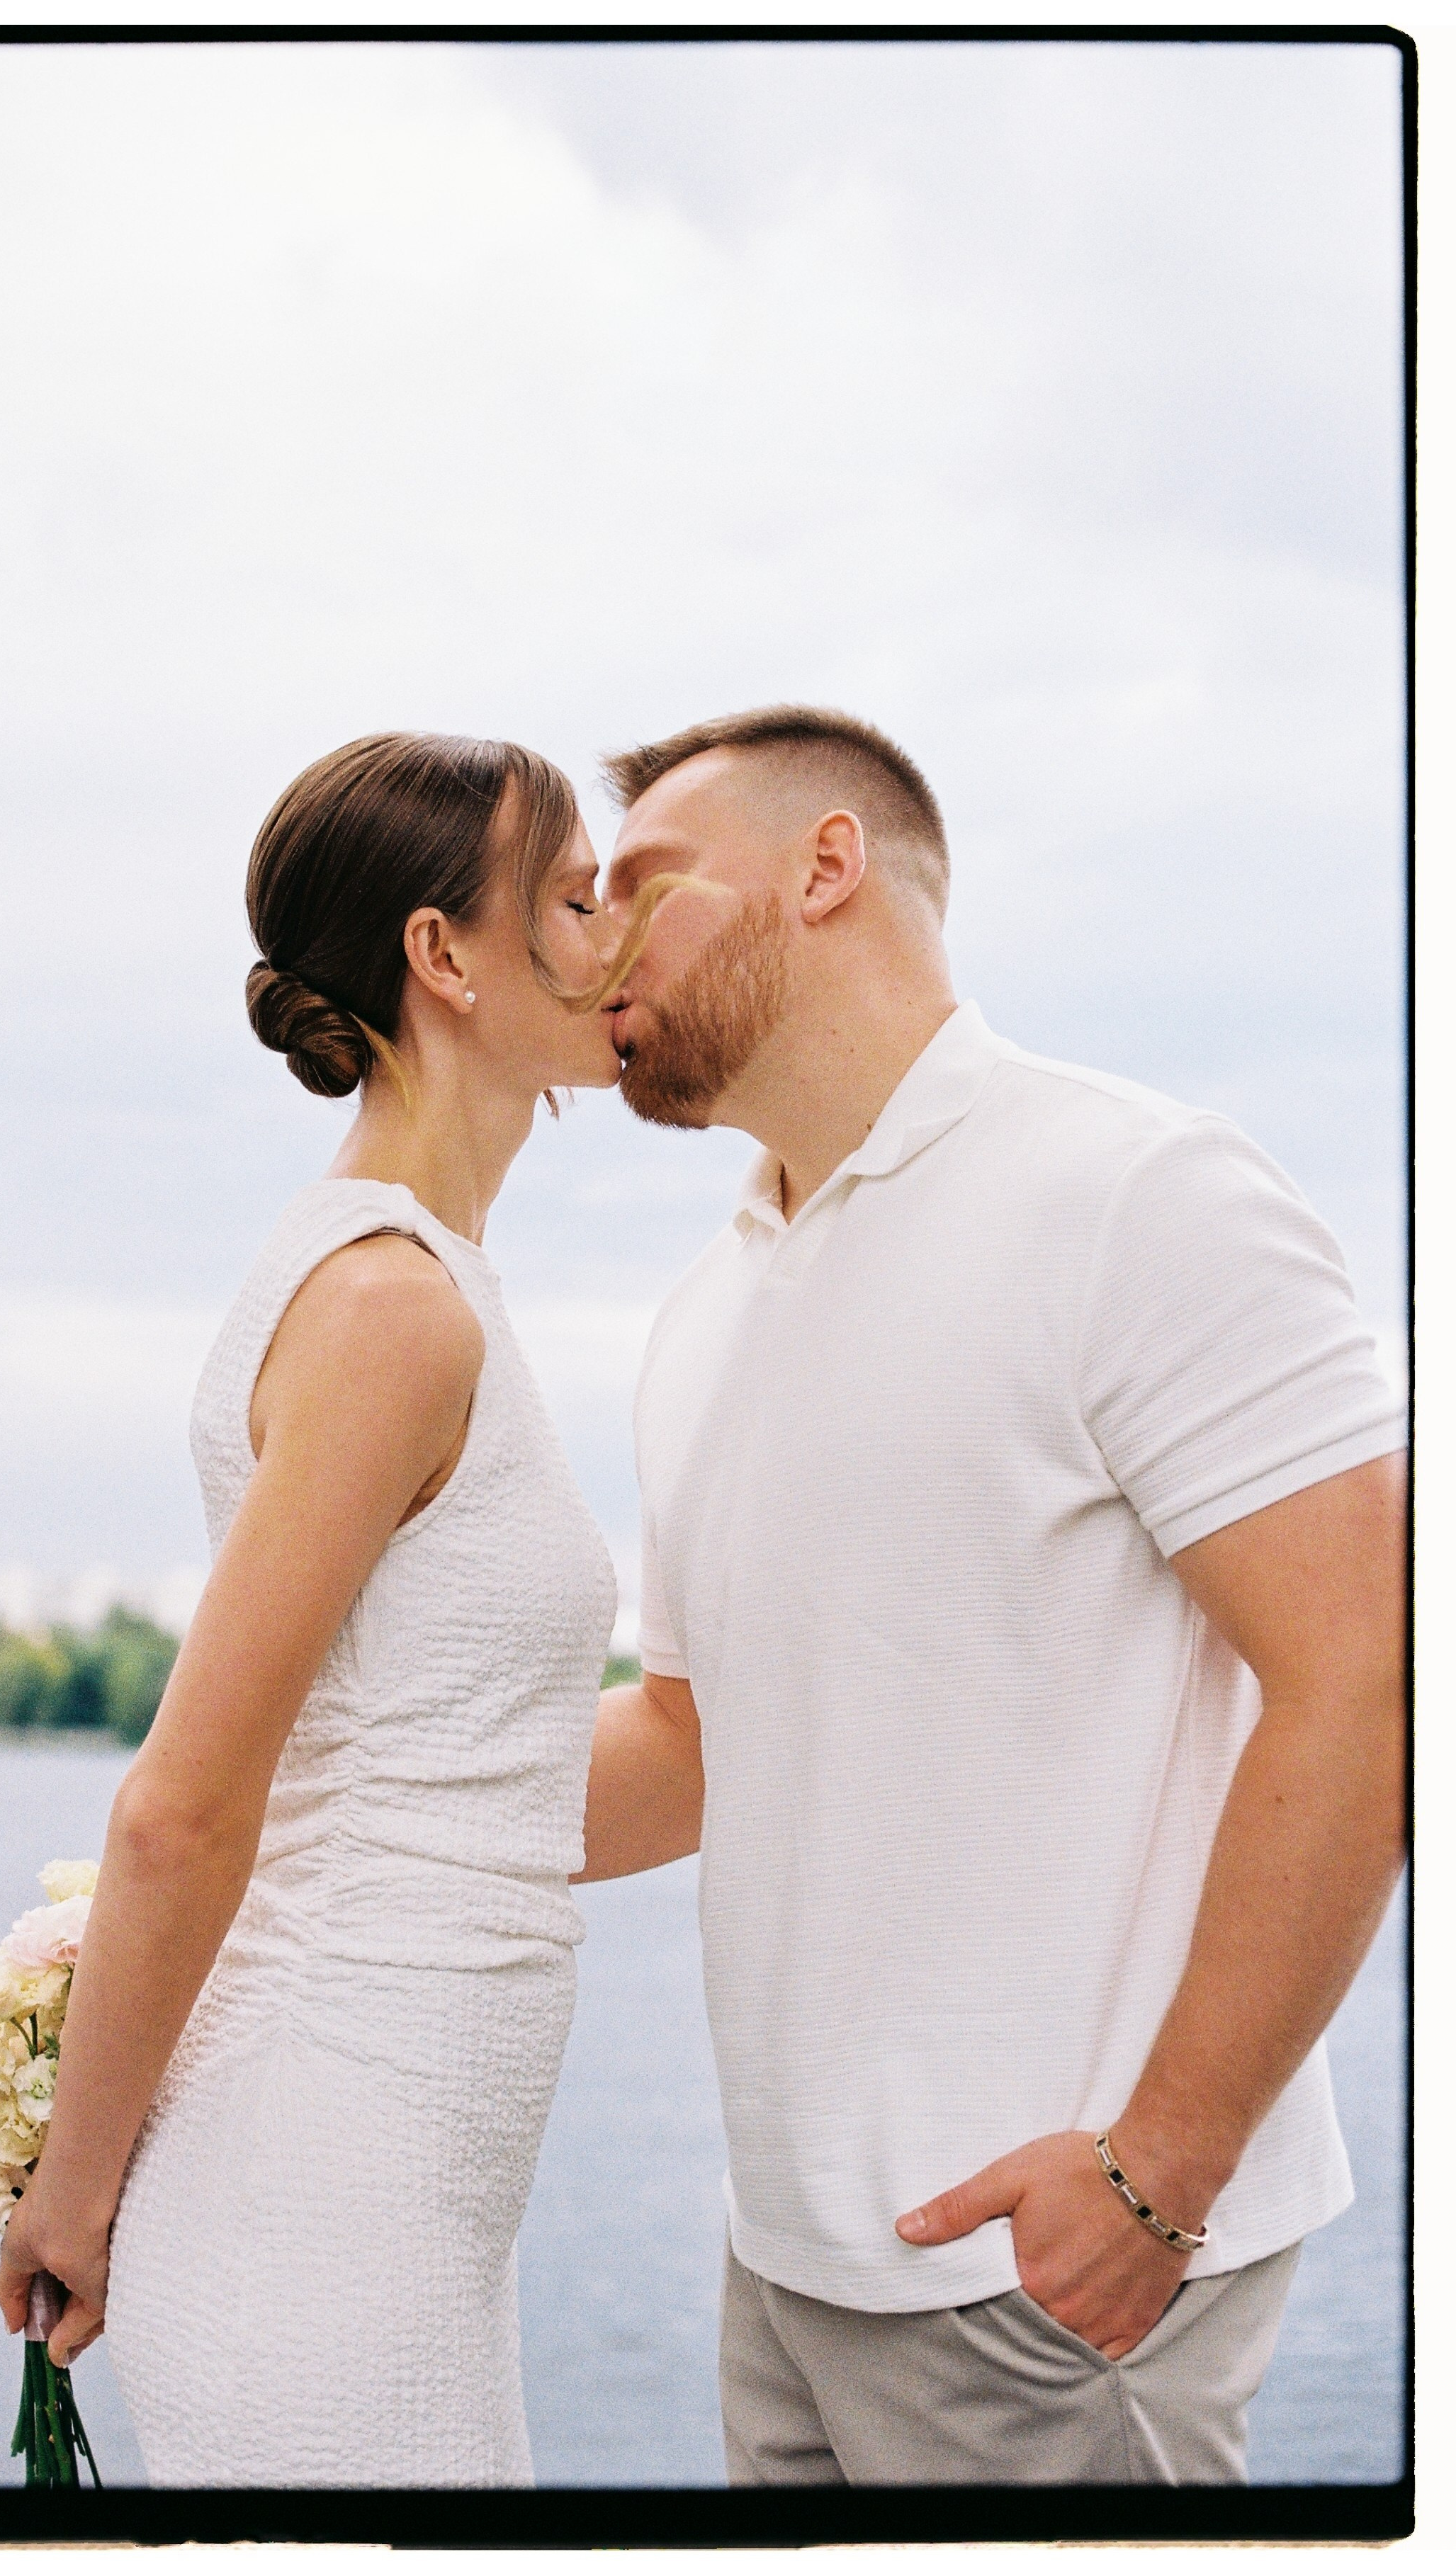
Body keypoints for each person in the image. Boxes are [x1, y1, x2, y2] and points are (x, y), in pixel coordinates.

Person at [581, 703, 1406, 2487]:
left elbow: (1374, 1683)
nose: (593, 945)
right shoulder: (707, 1305)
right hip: (789, 2259)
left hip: (1053, 2274)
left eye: (641, 885)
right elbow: (693, 1741)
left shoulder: (1133, 1191)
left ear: (826, 867)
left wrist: (1157, 2175)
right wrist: (319, 1818)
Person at [0, 731, 638, 2486]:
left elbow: (473, 1768)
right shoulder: (389, 1308)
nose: (621, 937)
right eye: (577, 899)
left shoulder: (435, 1285)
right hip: (320, 2170)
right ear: (447, 955)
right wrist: (75, 2185)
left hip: (406, 2175)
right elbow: (186, 1804)